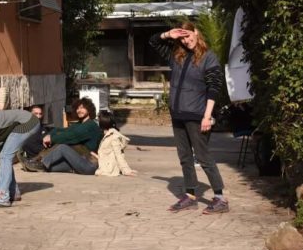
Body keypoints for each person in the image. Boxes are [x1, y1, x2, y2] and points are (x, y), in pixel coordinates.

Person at [150, 22, 229, 214]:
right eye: (183, 37)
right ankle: (191, 196)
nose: (187, 40)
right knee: (184, 157)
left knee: (203, 157)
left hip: (198, 115)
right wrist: (169, 34)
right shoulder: (176, 55)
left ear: (196, 32)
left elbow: (214, 88)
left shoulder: (208, 57)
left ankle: (220, 198)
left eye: (189, 35)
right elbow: (153, 42)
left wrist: (207, 115)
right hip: (178, 114)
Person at [20, 97, 102, 174]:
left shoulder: (91, 125)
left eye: (82, 108)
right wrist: (50, 134)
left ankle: (37, 162)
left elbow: (72, 136)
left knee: (62, 147)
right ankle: (33, 164)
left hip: (89, 164)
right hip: (77, 161)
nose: (79, 110)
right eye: (78, 108)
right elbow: (61, 130)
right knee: (48, 167)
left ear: (89, 110)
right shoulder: (79, 124)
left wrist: (52, 138)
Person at [95, 112, 136, 177]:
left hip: (107, 169)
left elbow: (118, 154)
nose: (97, 122)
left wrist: (126, 170)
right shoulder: (105, 134)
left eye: (98, 120)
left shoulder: (114, 137)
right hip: (103, 163)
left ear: (103, 122)